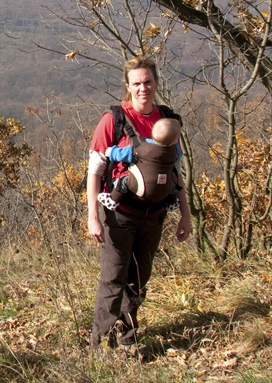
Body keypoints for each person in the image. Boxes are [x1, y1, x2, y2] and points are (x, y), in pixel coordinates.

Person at [86, 56, 191, 351]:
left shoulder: (168, 121)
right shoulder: (114, 120)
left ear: (156, 83)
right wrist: (93, 216)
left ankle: (128, 337)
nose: (142, 88)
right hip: (119, 215)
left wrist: (186, 215)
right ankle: (101, 345)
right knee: (113, 278)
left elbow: (175, 171)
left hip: (154, 215)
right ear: (128, 86)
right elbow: (95, 170)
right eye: (136, 83)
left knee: (138, 281)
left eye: (147, 82)